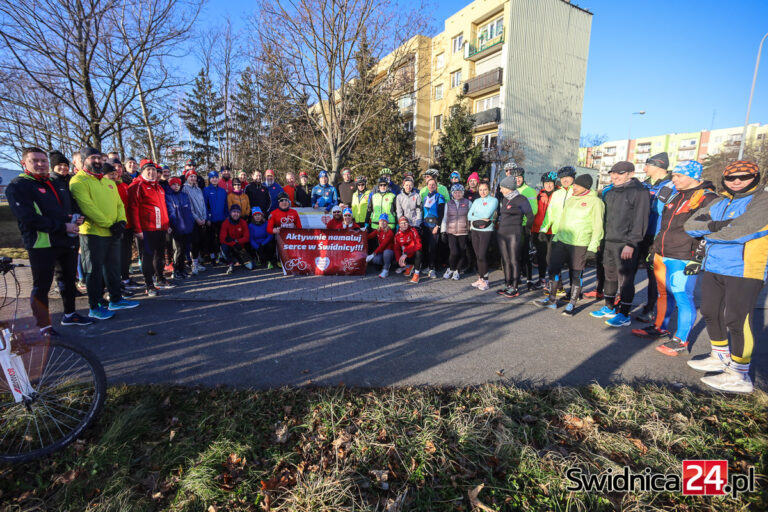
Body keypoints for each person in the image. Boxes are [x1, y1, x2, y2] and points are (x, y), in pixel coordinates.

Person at [684, 160, 767, 394]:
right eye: (731, 178)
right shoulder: (721, 201)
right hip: (715, 266)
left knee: (736, 320)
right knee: (710, 312)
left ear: (756, 177)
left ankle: (740, 374)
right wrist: (720, 225)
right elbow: (690, 226)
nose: (737, 181)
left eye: (744, 176)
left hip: (745, 268)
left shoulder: (762, 201)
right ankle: (719, 356)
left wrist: (709, 232)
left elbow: (740, 232)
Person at [629, 161, 716, 354]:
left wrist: (698, 258)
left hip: (684, 256)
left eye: (679, 176)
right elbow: (664, 226)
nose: (674, 179)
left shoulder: (707, 198)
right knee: (664, 294)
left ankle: (681, 339)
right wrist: (654, 248)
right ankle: (660, 327)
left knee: (683, 297)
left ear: (693, 176)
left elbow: (708, 232)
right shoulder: (675, 195)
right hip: (662, 253)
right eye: (674, 175)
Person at [6, 147, 92, 334]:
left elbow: (62, 210)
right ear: (24, 163)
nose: (40, 164)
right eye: (35, 160)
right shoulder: (18, 185)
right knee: (42, 285)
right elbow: (27, 217)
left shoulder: (53, 183)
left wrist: (74, 218)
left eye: (43, 161)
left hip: (65, 241)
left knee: (68, 280)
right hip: (41, 243)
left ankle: (70, 315)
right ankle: (43, 325)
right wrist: (63, 226)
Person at [70, 147, 138, 317]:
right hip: (93, 234)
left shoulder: (108, 181)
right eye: (93, 158)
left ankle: (116, 300)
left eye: (100, 158)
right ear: (84, 160)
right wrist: (110, 224)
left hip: (113, 232)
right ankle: (95, 306)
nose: (98, 161)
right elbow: (88, 207)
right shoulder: (78, 181)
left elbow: (119, 204)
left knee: (113, 269)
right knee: (94, 272)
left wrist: (121, 221)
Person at [533, 174, 604, 315]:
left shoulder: (596, 202)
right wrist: (555, 238)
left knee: (576, 274)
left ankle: (571, 304)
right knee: (553, 268)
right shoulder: (571, 199)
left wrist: (592, 248)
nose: (573, 187)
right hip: (562, 240)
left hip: (580, 243)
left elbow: (598, 226)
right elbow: (563, 222)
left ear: (585, 186)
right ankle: (552, 300)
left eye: (576, 185)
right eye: (574, 185)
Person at [589, 161, 650, 326]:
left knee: (626, 279)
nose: (614, 176)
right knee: (609, 275)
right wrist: (600, 239)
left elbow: (641, 220)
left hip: (626, 243)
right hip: (608, 240)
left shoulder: (640, 192)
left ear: (630, 173)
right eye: (612, 173)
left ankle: (624, 314)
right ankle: (609, 308)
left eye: (620, 173)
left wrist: (632, 243)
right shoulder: (609, 191)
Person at [636, 152, 675, 323]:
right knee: (631, 269)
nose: (644, 168)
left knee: (654, 274)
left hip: (657, 235)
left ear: (658, 166)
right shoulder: (644, 184)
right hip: (640, 233)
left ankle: (651, 307)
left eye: (647, 165)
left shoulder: (671, 185)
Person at [127, 159, 174, 296]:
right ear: (142, 171)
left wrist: (167, 225)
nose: (152, 173)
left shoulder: (158, 187)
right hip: (146, 229)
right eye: (149, 170)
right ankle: (149, 284)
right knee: (147, 256)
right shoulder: (137, 185)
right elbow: (133, 209)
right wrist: (138, 229)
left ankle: (160, 278)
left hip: (160, 228)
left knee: (159, 255)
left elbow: (163, 208)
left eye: (154, 170)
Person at [538, 166, 576, 296]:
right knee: (552, 262)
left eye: (568, 177)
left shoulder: (577, 191)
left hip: (573, 234)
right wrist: (543, 229)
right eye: (563, 178)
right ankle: (558, 288)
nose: (565, 180)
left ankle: (574, 291)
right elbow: (549, 213)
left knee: (573, 265)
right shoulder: (557, 194)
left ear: (573, 178)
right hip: (556, 234)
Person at [496, 174, 534, 297]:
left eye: (502, 188)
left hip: (515, 233)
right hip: (502, 233)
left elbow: (530, 216)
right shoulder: (505, 198)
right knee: (506, 260)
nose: (500, 190)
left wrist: (526, 229)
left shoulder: (521, 199)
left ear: (508, 187)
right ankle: (507, 284)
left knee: (514, 260)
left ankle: (515, 287)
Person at [510, 164, 539, 290]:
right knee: (514, 255)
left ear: (523, 177)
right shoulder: (511, 190)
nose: (518, 179)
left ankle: (529, 280)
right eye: (515, 177)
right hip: (513, 226)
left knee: (526, 255)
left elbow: (534, 210)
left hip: (524, 227)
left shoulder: (530, 191)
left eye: (520, 177)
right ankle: (515, 279)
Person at [467, 181, 498, 291]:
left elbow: (486, 214)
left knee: (482, 255)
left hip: (486, 231)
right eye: (480, 190)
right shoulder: (476, 201)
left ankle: (486, 280)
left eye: (485, 189)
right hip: (475, 230)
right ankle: (480, 278)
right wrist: (480, 217)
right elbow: (469, 215)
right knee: (477, 256)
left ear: (488, 190)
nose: (483, 192)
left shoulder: (494, 200)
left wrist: (477, 215)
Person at [531, 171, 557, 287]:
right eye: (546, 183)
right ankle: (542, 279)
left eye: (550, 183)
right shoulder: (539, 195)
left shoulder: (559, 195)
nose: (548, 185)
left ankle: (553, 281)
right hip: (539, 230)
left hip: (553, 231)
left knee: (550, 257)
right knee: (541, 256)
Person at [166, 176, 195, 279]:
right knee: (178, 249)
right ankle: (177, 269)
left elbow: (189, 211)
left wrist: (191, 223)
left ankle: (182, 269)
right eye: (174, 184)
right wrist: (173, 225)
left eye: (178, 184)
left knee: (184, 249)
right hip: (177, 227)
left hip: (186, 226)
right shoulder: (169, 196)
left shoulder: (184, 195)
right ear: (170, 185)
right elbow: (171, 212)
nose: (176, 186)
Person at [441, 184, 471, 280]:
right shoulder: (448, 203)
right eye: (455, 192)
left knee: (462, 252)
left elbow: (471, 218)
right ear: (452, 193)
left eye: (459, 192)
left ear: (463, 193)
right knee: (454, 252)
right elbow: (445, 218)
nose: (457, 194)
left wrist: (471, 230)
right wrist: (443, 231)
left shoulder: (468, 203)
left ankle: (457, 271)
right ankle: (451, 268)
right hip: (451, 232)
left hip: (463, 232)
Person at [419, 177, 446, 279]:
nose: (431, 186)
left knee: (432, 248)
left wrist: (438, 226)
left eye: (433, 184)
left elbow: (441, 213)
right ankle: (427, 267)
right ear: (427, 186)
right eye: (429, 184)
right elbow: (423, 212)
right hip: (425, 226)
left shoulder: (440, 197)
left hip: (434, 226)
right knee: (426, 248)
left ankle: (432, 268)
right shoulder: (425, 197)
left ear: (436, 186)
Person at [182, 170, 207, 274]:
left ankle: (197, 263)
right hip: (192, 220)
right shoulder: (185, 189)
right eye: (190, 176)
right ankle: (193, 264)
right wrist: (196, 218)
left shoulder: (198, 189)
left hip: (201, 219)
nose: (193, 178)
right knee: (194, 242)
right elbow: (189, 206)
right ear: (187, 178)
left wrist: (204, 217)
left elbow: (202, 204)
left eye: (194, 176)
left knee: (199, 242)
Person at [219, 204, 253, 274]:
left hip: (240, 247)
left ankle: (240, 260)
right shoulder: (226, 223)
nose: (236, 214)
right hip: (231, 247)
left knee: (251, 267)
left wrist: (237, 241)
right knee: (224, 247)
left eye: (238, 212)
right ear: (230, 213)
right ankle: (230, 262)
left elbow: (246, 238)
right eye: (234, 212)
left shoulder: (243, 222)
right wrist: (234, 243)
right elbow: (222, 239)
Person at [204, 171, 229, 264]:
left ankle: (221, 255)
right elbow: (205, 206)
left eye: (216, 177)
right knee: (211, 238)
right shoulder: (206, 190)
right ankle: (212, 257)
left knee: (221, 238)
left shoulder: (222, 191)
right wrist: (208, 218)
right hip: (211, 219)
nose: (214, 179)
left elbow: (226, 205)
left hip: (222, 218)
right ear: (209, 179)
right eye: (212, 177)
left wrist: (227, 216)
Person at [394, 216, 423, 284]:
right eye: (402, 223)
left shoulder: (413, 230)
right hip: (406, 256)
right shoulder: (397, 235)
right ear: (399, 225)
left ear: (408, 223)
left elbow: (419, 245)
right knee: (398, 257)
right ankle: (409, 266)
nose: (404, 225)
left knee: (419, 252)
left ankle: (416, 274)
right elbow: (396, 249)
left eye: (405, 223)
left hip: (413, 254)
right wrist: (399, 260)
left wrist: (406, 254)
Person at [366, 214, 395, 278]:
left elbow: (383, 245)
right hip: (382, 251)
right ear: (379, 222)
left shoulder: (390, 232)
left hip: (390, 252)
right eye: (381, 221)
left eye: (384, 221)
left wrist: (373, 254)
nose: (382, 223)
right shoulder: (378, 230)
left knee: (386, 253)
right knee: (375, 260)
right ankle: (386, 264)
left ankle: (386, 270)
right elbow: (369, 236)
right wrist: (362, 232)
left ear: (387, 222)